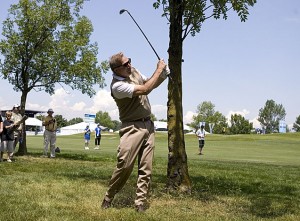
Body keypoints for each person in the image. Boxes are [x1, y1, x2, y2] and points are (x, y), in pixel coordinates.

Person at [101, 52, 168, 212]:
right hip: (131, 128)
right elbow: (145, 89)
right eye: (125, 64)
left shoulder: (134, 71)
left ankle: (140, 203)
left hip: (148, 125)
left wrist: (163, 75)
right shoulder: (117, 86)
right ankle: (109, 196)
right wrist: (159, 69)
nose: (129, 65)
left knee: (146, 167)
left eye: (129, 61)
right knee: (125, 165)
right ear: (116, 69)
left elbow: (149, 83)